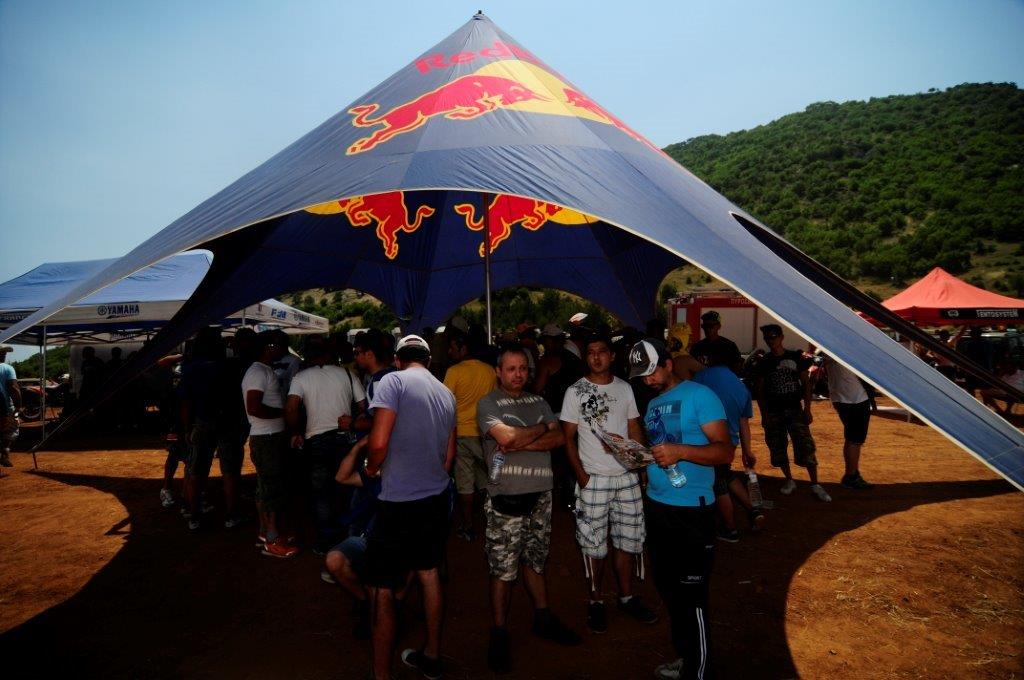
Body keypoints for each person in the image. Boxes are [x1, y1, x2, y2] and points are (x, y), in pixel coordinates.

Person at [628, 338, 734, 680]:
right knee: (669, 589)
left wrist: (681, 451)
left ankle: (699, 672)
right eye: (642, 375)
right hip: (658, 506)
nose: (648, 380)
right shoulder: (653, 405)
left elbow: (724, 451)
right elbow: (660, 451)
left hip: (692, 511)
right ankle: (688, 658)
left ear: (669, 364)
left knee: (693, 595)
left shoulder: (700, 395)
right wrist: (639, 459)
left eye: (652, 372)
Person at [477, 346, 581, 674]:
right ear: (498, 371)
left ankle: (543, 618)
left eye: (523, 368)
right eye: (511, 368)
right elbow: (505, 437)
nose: (518, 374)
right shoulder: (488, 403)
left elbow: (559, 439)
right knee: (502, 569)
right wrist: (540, 430)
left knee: (536, 560)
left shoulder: (539, 401)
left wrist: (523, 439)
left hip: (541, 496)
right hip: (506, 497)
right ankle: (499, 632)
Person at [363, 334, 456, 680]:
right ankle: (432, 654)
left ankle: (381, 674)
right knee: (428, 572)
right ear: (428, 361)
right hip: (435, 497)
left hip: (398, 500)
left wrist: (372, 467)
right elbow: (449, 457)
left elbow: (378, 442)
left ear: (398, 359)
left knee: (383, 588)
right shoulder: (446, 393)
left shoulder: (393, 381)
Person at [560, 335, 657, 634]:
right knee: (593, 545)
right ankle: (596, 600)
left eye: (602, 351)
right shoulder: (575, 391)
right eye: (591, 352)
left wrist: (640, 466)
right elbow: (567, 438)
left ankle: (626, 597)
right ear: (585, 357)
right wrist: (582, 477)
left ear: (612, 356)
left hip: (626, 477)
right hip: (594, 479)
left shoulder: (625, 388)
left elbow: (633, 427)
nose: (596, 357)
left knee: (628, 540)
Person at [285, 336, 366, 555]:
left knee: (321, 493)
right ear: (329, 353)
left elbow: (291, 408)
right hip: (346, 439)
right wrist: (354, 421)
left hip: (317, 441)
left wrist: (295, 432)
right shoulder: (347, 374)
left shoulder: (301, 377)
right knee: (347, 489)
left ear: (307, 355)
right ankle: (349, 539)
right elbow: (363, 405)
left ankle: (325, 541)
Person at [691, 347, 764, 541]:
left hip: (709, 441)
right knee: (726, 475)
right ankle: (754, 510)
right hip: (730, 442)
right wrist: (747, 451)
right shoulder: (741, 387)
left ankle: (730, 529)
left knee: (719, 484)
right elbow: (743, 423)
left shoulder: (703, 376)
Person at [754, 325, 831, 502]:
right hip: (774, 411)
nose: (771, 340)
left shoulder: (795, 357)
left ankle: (815, 483)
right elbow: (760, 391)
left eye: (773, 336)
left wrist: (807, 409)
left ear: (781, 337)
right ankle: (789, 479)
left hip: (795, 409)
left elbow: (806, 384)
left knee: (806, 446)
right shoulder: (764, 362)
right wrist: (764, 415)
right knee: (778, 447)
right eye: (767, 338)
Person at [242, 332, 298, 558]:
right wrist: (282, 413)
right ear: (269, 347)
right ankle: (272, 539)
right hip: (266, 438)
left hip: (269, 437)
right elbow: (253, 407)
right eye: (279, 345)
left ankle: (266, 533)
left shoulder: (262, 370)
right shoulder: (257, 372)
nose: (283, 349)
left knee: (266, 487)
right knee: (271, 489)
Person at [443, 331, 497, 542]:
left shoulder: (454, 372)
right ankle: (492, 521)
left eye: (452, 348)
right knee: (485, 479)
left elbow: (445, 404)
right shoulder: (489, 370)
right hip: (485, 433)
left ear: (463, 348)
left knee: (465, 483)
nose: (449, 351)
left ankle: (468, 525)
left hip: (462, 434)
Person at [823, 355, 875, 489]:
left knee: (851, 438)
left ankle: (852, 473)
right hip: (855, 398)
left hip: (840, 397)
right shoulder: (846, 351)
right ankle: (851, 476)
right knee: (855, 440)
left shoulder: (829, 351)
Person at [0, 344, 21, 468]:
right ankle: (5, 451)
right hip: (4, 407)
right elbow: (13, 388)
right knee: (12, 428)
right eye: (3, 353)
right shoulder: (7, 368)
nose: (4, 355)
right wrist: (18, 406)